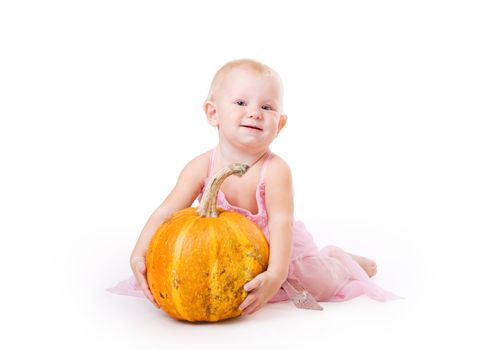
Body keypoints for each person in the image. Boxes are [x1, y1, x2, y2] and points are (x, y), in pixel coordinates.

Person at [108, 58, 400, 315]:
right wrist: (139, 253)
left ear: (280, 124)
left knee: (316, 282)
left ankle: (340, 264)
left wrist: (275, 274)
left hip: (275, 249)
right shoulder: (200, 166)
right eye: (240, 103)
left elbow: (282, 224)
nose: (255, 112)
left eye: (267, 107)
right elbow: (166, 213)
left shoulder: (275, 171)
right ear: (213, 113)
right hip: (222, 254)